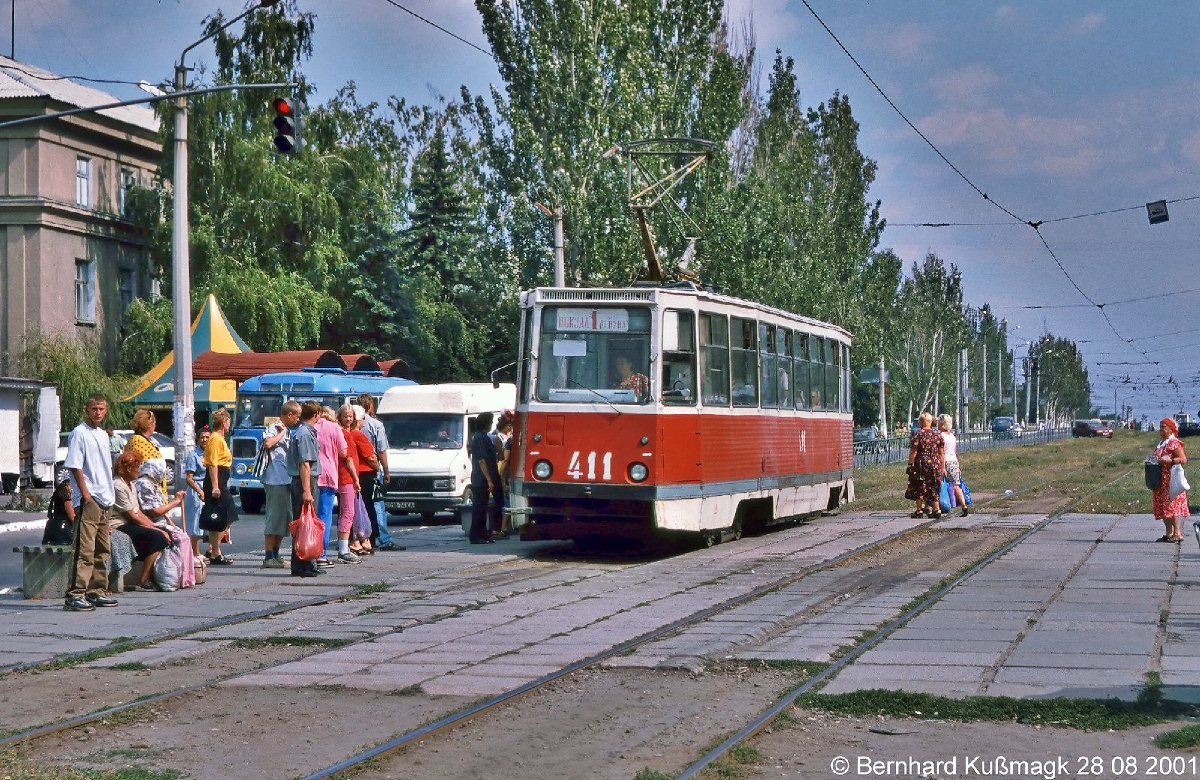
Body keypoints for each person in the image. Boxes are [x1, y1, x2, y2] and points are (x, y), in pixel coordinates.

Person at [63, 394, 118, 612]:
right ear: (87, 409)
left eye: (101, 409)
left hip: (105, 497)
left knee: (102, 549)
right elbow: (75, 465)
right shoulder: (79, 433)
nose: (98, 412)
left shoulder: (103, 435)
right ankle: (75, 593)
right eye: (94, 408)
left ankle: (97, 590)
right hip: (90, 497)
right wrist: (85, 494)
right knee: (84, 549)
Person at [112, 450, 173, 591]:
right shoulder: (118, 486)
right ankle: (142, 580)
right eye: (137, 467)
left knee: (163, 532)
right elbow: (132, 516)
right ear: (128, 469)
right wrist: (155, 530)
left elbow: (138, 512)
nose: (139, 470)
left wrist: (154, 526)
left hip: (129, 522)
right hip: (119, 524)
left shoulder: (130, 485)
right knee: (158, 537)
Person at [133, 459, 194, 589]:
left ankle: (182, 576)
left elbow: (161, 511)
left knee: (182, 535)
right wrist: (176, 501)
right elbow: (154, 511)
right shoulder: (144, 484)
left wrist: (172, 524)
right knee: (180, 539)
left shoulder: (153, 483)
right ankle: (175, 577)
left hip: (159, 520)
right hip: (149, 521)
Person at [356, 392, 403, 552]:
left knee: (360, 505)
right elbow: (381, 450)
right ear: (370, 406)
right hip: (372, 469)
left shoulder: (351, 425)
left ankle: (362, 537)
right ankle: (383, 538)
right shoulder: (376, 425)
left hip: (355, 470)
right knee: (377, 504)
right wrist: (386, 471)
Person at [287, 401, 323, 577]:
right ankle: (305, 564)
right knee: (305, 523)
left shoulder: (304, 432)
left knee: (305, 522)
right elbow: (305, 464)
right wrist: (307, 490)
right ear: (316, 414)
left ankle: (304, 563)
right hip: (304, 481)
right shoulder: (305, 434)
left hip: (304, 480)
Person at [260, 404, 297, 569]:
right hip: (275, 480)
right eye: (296, 416)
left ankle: (276, 554)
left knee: (284, 519)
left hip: (285, 479)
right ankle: (268, 557)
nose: (297, 420)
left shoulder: (287, 430)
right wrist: (281, 433)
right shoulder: (275, 427)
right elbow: (267, 443)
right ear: (289, 414)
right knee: (274, 518)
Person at [202, 408, 238, 564]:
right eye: (229, 421)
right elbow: (213, 464)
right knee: (225, 514)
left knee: (221, 516)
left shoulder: (220, 438)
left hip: (222, 477)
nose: (229, 424)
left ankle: (213, 549)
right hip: (216, 480)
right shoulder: (215, 438)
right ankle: (215, 551)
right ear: (224, 422)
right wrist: (215, 486)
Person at [314, 406, 346, 565]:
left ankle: (308, 550)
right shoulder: (334, 428)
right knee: (324, 515)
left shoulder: (311, 427)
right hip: (328, 475)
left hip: (312, 475)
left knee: (311, 515)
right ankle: (321, 554)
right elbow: (343, 452)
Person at [1151, 417, 1189, 542]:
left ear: (1171, 429)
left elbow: (1183, 459)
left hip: (1171, 481)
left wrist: (1171, 461)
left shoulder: (1174, 443)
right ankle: (1168, 533)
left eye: (1164, 427)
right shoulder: (1162, 443)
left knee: (1171, 506)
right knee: (1163, 506)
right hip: (1160, 481)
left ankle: (1177, 533)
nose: (1161, 429)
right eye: (1160, 427)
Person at [468, 411, 503, 544]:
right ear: (486, 423)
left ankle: (483, 534)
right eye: (490, 422)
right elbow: (482, 461)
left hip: (483, 478)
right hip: (481, 478)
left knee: (484, 507)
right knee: (479, 507)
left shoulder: (483, 437)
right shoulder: (480, 438)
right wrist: (489, 480)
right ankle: (476, 535)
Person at [905, 411, 945, 519]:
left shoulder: (917, 434)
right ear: (930, 421)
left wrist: (910, 464)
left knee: (919, 484)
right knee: (933, 485)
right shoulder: (938, 434)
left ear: (921, 422)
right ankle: (936, 509)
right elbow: (942, 453)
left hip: (921, 464)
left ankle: (919, 510)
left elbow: (913, 451)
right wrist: (943, 467)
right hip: (935, 464)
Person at [124, 409, 166, 493]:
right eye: (154, 422)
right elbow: (145, 467)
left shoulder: (143, 440)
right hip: (146, 491)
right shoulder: (138, 440)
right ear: (149, 425)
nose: (155, 425)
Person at [183, 427, 209, 558]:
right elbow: (189, 478)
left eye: (207, 437)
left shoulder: (211, 453)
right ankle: (195, 553)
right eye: (202, 437)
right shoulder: (193, 456)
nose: (204, 440)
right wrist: (199, 491)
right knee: (196, 523)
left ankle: (212, 550)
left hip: (209, 489)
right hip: (196, 491)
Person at [937, 414, 968, 517]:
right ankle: (964, 506)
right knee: (956, 486)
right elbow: (954, 452)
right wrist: (958, 467)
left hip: (945, 462)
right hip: (954, 461)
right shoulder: (952, 436)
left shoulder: (941, 436)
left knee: (941, 484)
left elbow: (942, 453)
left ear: (942, 424)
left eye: (939, 422)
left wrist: (943, 467)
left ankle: (941, 506)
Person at [490, 411, 514, 538]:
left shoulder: (508, 438)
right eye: (508, 426)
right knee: (505, 501)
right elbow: (504, 460)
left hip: (504, 472)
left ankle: (501, 527)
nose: (510, 428)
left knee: (505, 500)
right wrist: (502, 479)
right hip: (503, 471)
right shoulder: (500, 438)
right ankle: (502, 528)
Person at [42, 470, 76, 546]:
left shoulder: (66, 486)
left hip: (56, 527)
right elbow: (72, 516)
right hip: (63, 531)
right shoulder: (67, 488)